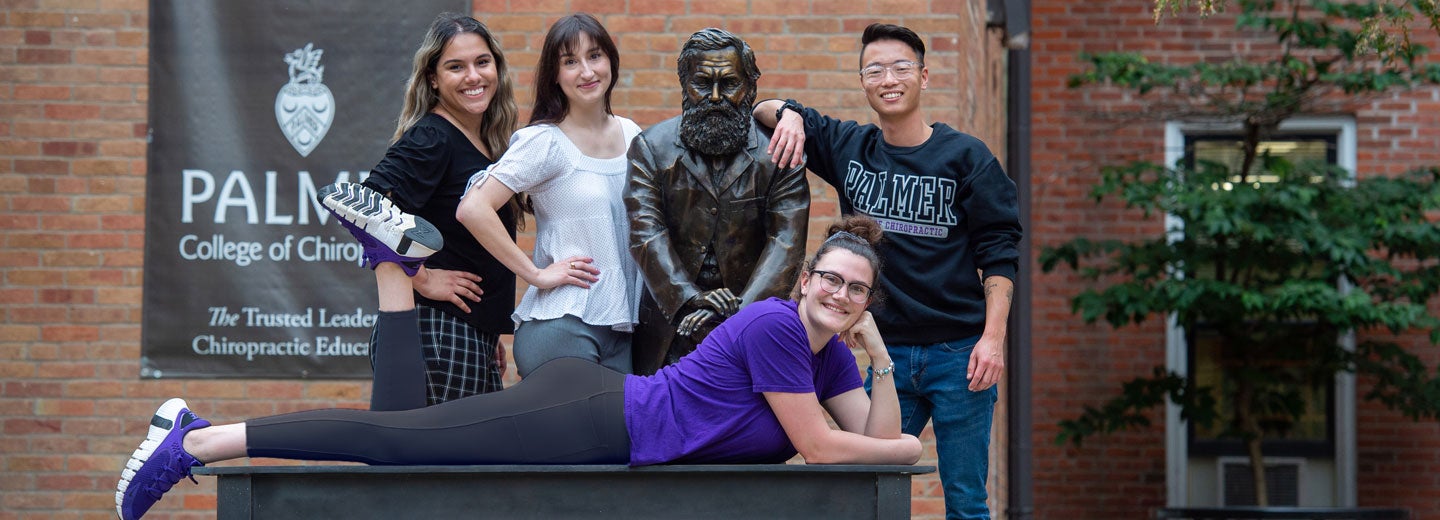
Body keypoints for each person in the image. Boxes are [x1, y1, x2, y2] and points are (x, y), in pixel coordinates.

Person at [114, 199, 922, 520]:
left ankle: (391, 275)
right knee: (397, 444)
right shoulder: (778, 326)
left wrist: (878, 361)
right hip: (590, 414)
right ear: (806, 277)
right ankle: (195, 439)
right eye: (831, 279)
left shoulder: (828, 357)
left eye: (858, 292)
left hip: (605, 425)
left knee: (400, 440)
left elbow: (868, 437)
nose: (841, 296)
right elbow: (830, 447)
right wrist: (906, 444)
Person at [752, 23, 1022, 520]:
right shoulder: (850, 146)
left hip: (959, 354)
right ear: (862, 82)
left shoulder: (967, 158)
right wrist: (790, 115)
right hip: (887, 354)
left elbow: (1000, 252)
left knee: (966, 501)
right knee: (864, 484)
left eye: (900, 67)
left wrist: (993, 338)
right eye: (874, 70)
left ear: (924, 76)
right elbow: (762, 108)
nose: (888, 79)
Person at [342, 12, 522, 410]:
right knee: (448, 469)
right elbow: (367, 203)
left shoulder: (481, 143)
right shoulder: (434, 136)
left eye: (482, 62)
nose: (473, 76)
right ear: (434, 79)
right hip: (436, 332)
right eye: (455, 67)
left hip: (463, 334)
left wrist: (487, 333)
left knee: (464, 466)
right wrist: (423, 279)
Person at [455, 13, 642, 377]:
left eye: (595, 56)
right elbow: (473, 208)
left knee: (621, 436)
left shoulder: (633, 135)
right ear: (555, 76)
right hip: (563, 325)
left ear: (611, 62)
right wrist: (536, 275)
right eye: (570, 62)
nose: (586, 71)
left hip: (624, 330)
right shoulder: (544, 142)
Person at [625, 28, 809, 375]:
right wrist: (691, 300)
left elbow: (787, 243)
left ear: (750, 88)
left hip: (751, 324)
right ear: (684, 86)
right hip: (669, 323)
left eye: (728, 84)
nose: (713, 97)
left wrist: (738, 316)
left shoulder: (780, 154)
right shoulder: (650, 148)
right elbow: (645, 234)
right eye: (701, 83)